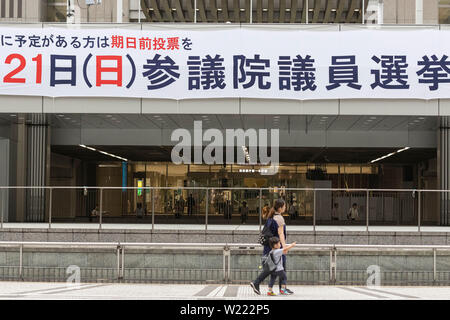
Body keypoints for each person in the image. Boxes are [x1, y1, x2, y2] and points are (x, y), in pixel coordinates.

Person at [250, 198, 294, 295]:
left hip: (269, 247)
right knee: (277, 267)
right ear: (280, 208)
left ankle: (282, 288)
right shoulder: (279, 218)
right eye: (284, 206)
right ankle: (257, 283)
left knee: (272, 267)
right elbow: (281, 234)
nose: (285, 207)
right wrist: (284, 247)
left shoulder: (271, 217)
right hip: (275, 248)